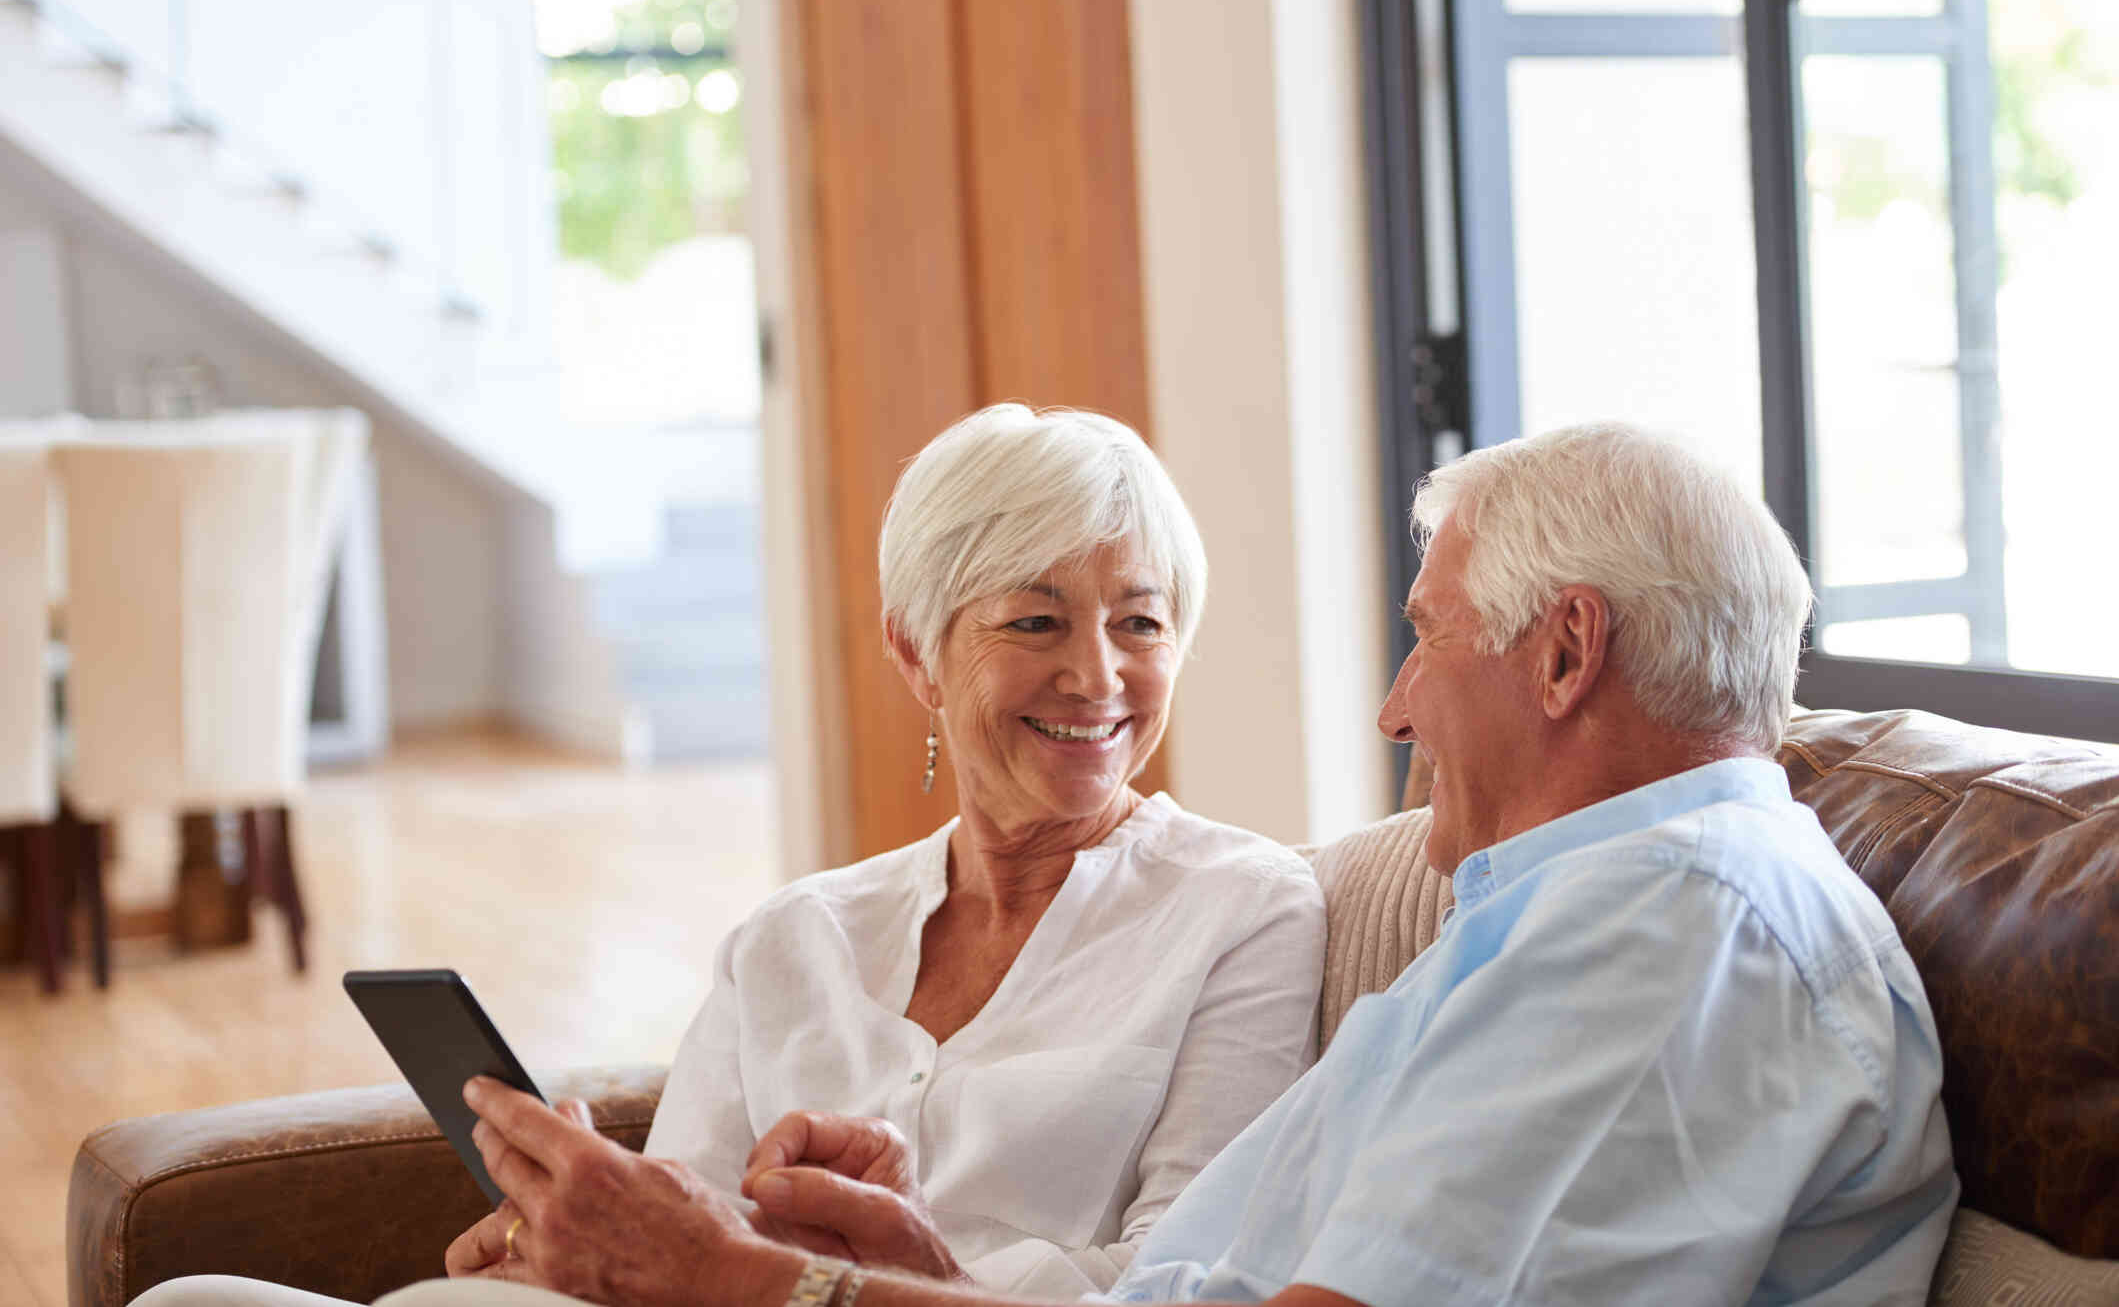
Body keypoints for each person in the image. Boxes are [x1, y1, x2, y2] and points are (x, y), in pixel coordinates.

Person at [401, 421, 1958, 1307]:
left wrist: (751, 1288)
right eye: (1031, 616)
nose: (1392, 703)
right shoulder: (1579, 918)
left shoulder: (1673, 928)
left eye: (1422, 633)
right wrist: (917, 1268)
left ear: (1563, 652)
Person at [132, 404, 1324, 1307]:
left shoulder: (1243, 908)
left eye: (1141, 621)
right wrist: (565, 1237)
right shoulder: (795, 938)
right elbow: (670, 1238)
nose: (1098, 675)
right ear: (917, 653)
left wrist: (907, 1272)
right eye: (1035, 619)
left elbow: (1186, 1274)